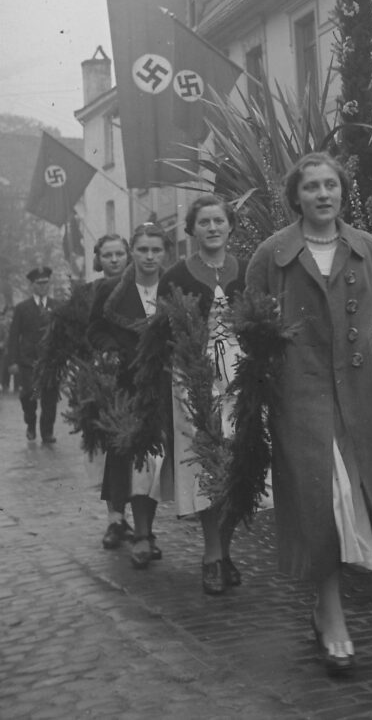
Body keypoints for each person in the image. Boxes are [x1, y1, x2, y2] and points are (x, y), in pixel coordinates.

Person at [246, 152, 372, 676]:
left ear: (342, 191)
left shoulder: (366, 248)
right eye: (311, 186)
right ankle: (333, 616)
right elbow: (250, 321)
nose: (322, 194)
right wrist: (274, 365)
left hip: (356, 395)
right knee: (322, 502)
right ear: (296, 196)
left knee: (352, 501)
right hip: (300, 397)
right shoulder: (273, 254)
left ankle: (323, 608)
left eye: (330, 185)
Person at [158, 195, 246, 595]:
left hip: (239, 377)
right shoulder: (176, 275)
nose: (212, 228)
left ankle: (225, 550)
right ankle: (212, 554)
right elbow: (162, 333)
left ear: (230, 226)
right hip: (194, 377)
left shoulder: (246, 269)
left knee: (238, 462)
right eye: (204, 222)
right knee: (207, 462)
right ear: (192, 229)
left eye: (219, 221)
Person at [87, 222, 172, 567]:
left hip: (164, 382)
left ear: (164, 252)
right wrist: (111, 350)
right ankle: (136, 531)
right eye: (142, 250)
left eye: (156, 250)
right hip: (126, 384)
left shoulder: (174, 284)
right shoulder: (112, 290)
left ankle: (144, 531)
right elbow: (95, 329)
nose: (149, 257)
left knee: (155, 459)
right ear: (132, 252)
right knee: (131, 454)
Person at [89, 235, 135, 549]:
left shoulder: (140, 283)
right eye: (108, 255)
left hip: (139, 372)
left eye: (120, 254)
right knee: (115, 448)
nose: (115, 260)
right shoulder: (96, 290)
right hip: (109, 375)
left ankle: (133, 520)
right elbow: (91, 330)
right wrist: (108, 350)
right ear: (99, 259)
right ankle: (115, 518)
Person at [7, 267, 58, 442]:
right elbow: (14, 336)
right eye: (39, 283)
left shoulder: (56, 306)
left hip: (51, 362)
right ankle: (31, 422)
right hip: (29, 363)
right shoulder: (22, 308)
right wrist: (12, 361)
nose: (43, 286)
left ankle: (47, 432)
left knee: (49, 398)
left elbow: (63, 334)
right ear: (32, 285)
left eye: (46, 283)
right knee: (31, 395)